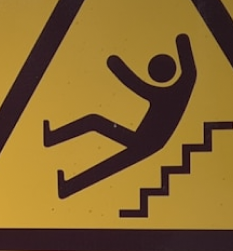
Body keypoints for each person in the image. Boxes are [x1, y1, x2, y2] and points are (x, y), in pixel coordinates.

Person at [44, 33, 196, 198]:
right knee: (111, 163)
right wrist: (182, 43)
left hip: (144, 141)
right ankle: (67, 187)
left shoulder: (172, 94)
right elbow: (190, 73)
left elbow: (138, 86)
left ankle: (53, 140)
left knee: (94, 122)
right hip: (147, 141)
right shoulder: (179, 90)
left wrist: (116, 65)